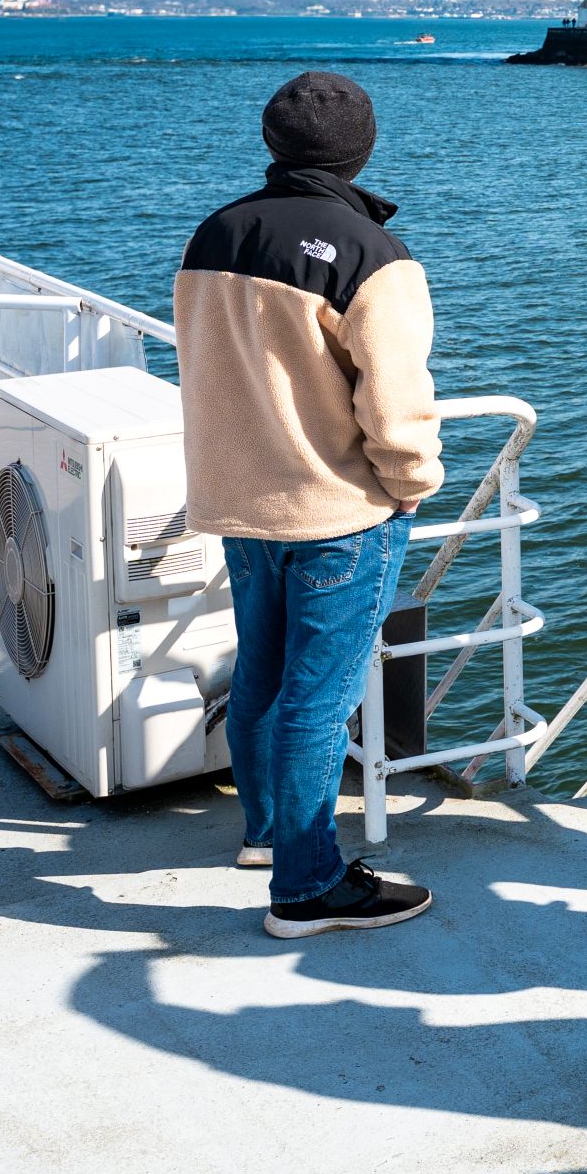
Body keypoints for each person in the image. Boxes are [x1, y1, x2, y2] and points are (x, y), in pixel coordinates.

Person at [175, 71, 441, 937]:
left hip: (239, 499)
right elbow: (396, 407)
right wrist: (408, 489)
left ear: (274, 142)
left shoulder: (213, 233)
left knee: (261, 673)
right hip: (334, 509)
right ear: (362, 148)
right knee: (319, 702)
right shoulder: (373, 256)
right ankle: (306, 885)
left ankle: (264, 837)